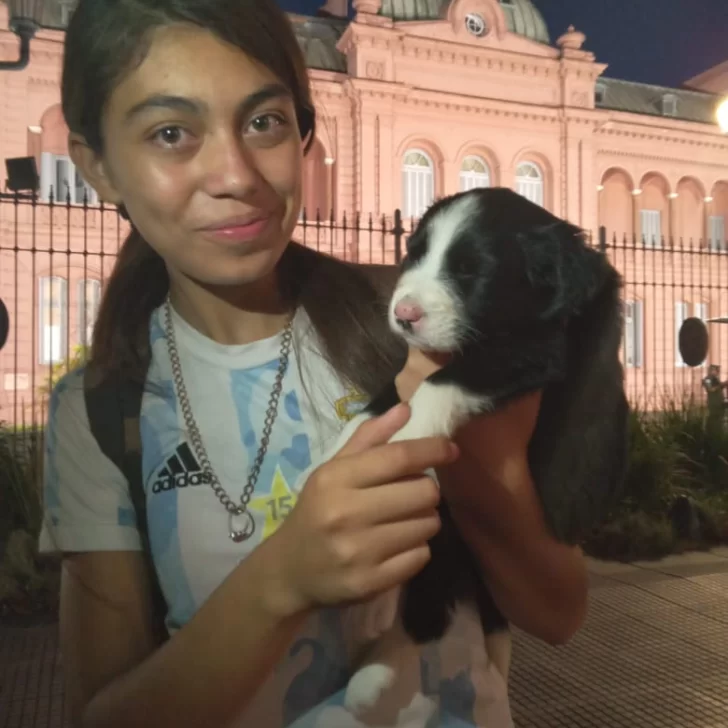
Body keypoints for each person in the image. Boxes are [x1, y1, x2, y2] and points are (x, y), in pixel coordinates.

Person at [38, 1, 588, 726]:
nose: (235, 174)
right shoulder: (102, 408)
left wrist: (486, 464)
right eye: (171, 133)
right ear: (97, 166)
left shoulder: (411, 327)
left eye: (264, 122)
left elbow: (557, 610)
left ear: (304, 134)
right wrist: (285, 578)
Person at [702, 364, 727, 434]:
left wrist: (724, 384)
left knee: (720, 419)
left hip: (719, 403)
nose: (717, 372)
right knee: (713, 419)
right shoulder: (707, 379)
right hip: (713, 403)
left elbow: (719, 386)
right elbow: (711, 389)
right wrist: (721, 385)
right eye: (716, 370)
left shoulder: (715, 379)